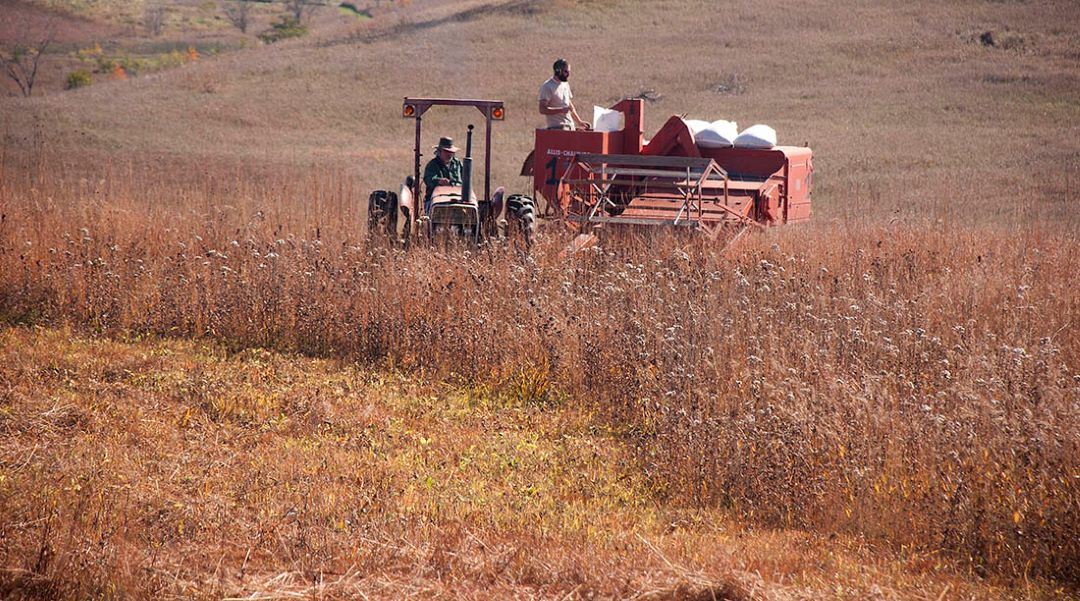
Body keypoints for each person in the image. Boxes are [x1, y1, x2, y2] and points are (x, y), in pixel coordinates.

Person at [538, 58, 590, 131]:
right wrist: (561, 110)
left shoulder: (565, 84)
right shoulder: (548, 86)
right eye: (566, 72)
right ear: (558, 71)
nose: (568, 74)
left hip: (570, 127)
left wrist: (579, 122)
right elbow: (542, 109)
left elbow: (569, 105)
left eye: (569, 72)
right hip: (557, 128)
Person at [422, 136, 463, 213]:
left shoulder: (458, 164)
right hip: (436, 199)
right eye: (446, 151)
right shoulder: (432, 165)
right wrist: (438, 181)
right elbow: (428, 179)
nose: (449, 154)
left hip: (457, 198)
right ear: (439, 151)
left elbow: (465, 180)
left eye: (451, 152)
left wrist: (455, 184)